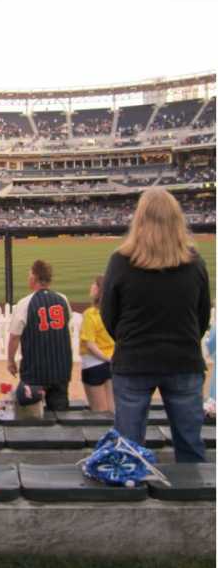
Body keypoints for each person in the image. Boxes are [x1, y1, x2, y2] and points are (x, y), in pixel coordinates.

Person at [101, 188, 211, 463]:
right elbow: (202, 317)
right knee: (190, 447)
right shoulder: (195, 262)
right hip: (183, 360)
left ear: (138, 220)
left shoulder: (120, 261)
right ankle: (193, 505)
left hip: (134, 361)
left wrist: (128, 339)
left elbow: (109, 315)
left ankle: (132, 501)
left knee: (128, 450)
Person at [7, 260, 73, 411]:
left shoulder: (25, 303)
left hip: (34, 372)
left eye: (30, 274)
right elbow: (66, 323)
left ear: (35, 277)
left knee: (31, 416)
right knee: (60, 414)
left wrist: (10, 361)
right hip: (61, 369)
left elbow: (14, 337)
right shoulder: (63, 299)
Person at [80, 275, 115, 413]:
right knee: (112, 410)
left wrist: (105, 358)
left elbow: (90, 344)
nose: (91, 287)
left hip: (94, 364)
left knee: (99, 412)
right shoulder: (113, 313)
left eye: (94, 285)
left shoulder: (90, 314)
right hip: (112, 363)